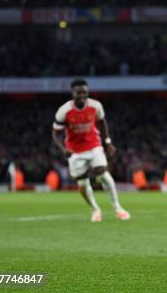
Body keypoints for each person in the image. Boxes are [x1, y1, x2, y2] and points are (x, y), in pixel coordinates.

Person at [52, 78, 130, 222]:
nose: (82, 95)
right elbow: (56, 133)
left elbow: (102, 122)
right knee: (82, 184)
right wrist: (63, 149)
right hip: (75, 152)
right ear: (72, 93)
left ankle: (117, 207)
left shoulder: (95, 106)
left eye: (85, 92)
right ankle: (95, 209)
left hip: (94, 146)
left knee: (103, 174)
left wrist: (108, 142)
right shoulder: (64, 111)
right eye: (79, 93)